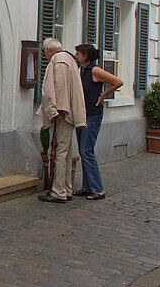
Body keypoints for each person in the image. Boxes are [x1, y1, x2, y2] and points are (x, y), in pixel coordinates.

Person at [38, 38, 86, 204]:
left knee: (57, 152)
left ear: (49, 50)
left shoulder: (57, 60)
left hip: (62, 114)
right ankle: (66, 188)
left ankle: (58, 192)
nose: (46, 55)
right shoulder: (70, 59)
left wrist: (54, 110)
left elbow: (54, 89)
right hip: (70, 113)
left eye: (45, 52)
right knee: (65, 153)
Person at [72, 43, 122, 201]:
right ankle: (87, 187)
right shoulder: (82, 70)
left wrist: (103, 95)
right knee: (83, 151)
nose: (76, 55)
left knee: (87, 151)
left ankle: (98, 189)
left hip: (92, 115)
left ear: (85, 55)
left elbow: (117, 82)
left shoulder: (94, 70)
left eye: (78, 53)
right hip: (82, 114)